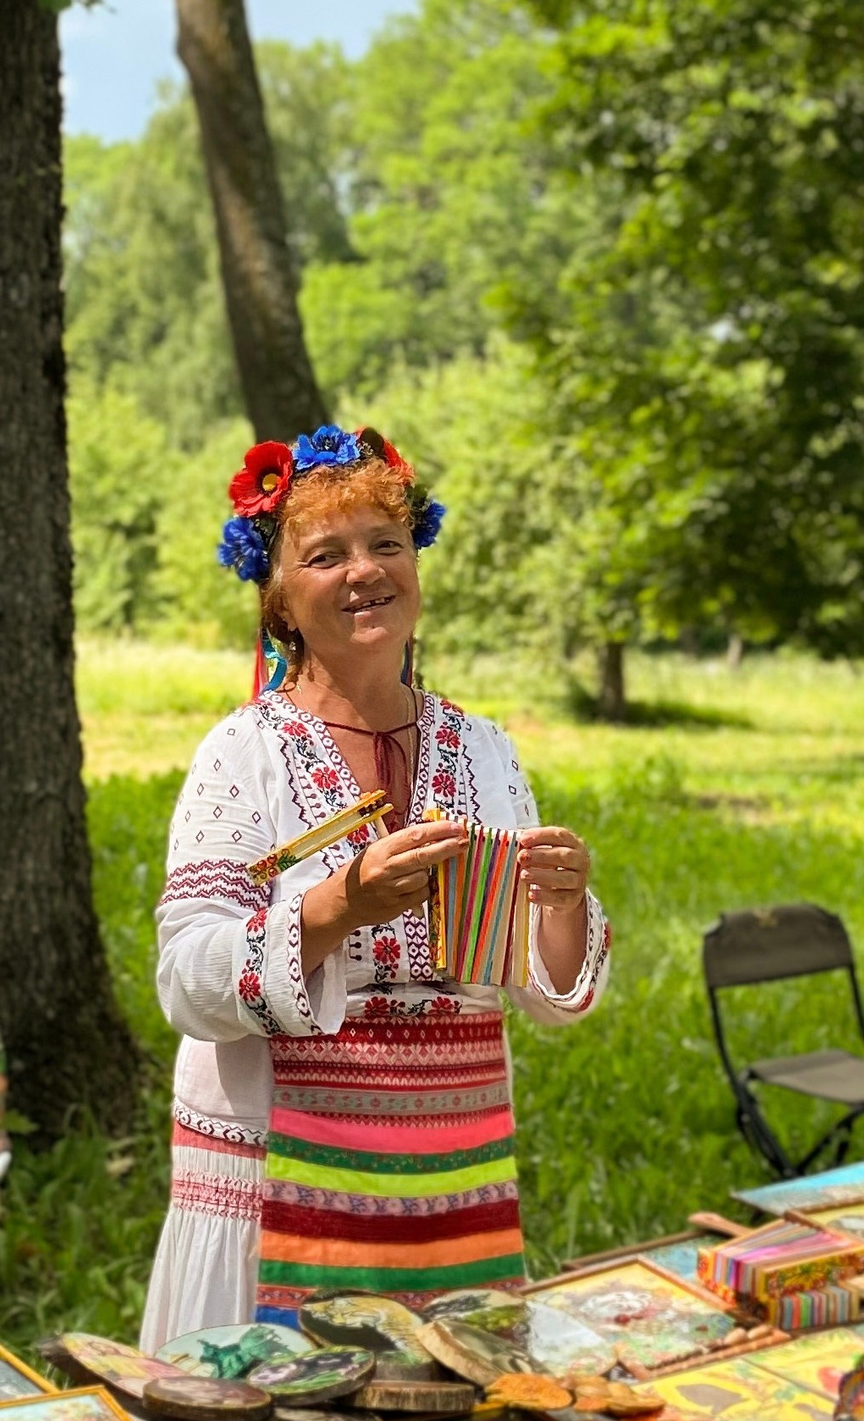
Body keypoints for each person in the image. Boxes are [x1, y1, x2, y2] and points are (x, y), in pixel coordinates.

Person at [144, 422, 608, 1349]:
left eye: (386, 544)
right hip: (274, 1181)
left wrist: (559, 905)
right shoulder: (243, 754)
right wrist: (338, 906)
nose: (365, 571)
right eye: (326, 555)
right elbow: (187, 979)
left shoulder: (481, 748)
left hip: (445, 1185)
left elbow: (544, 986)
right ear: (280, 600)